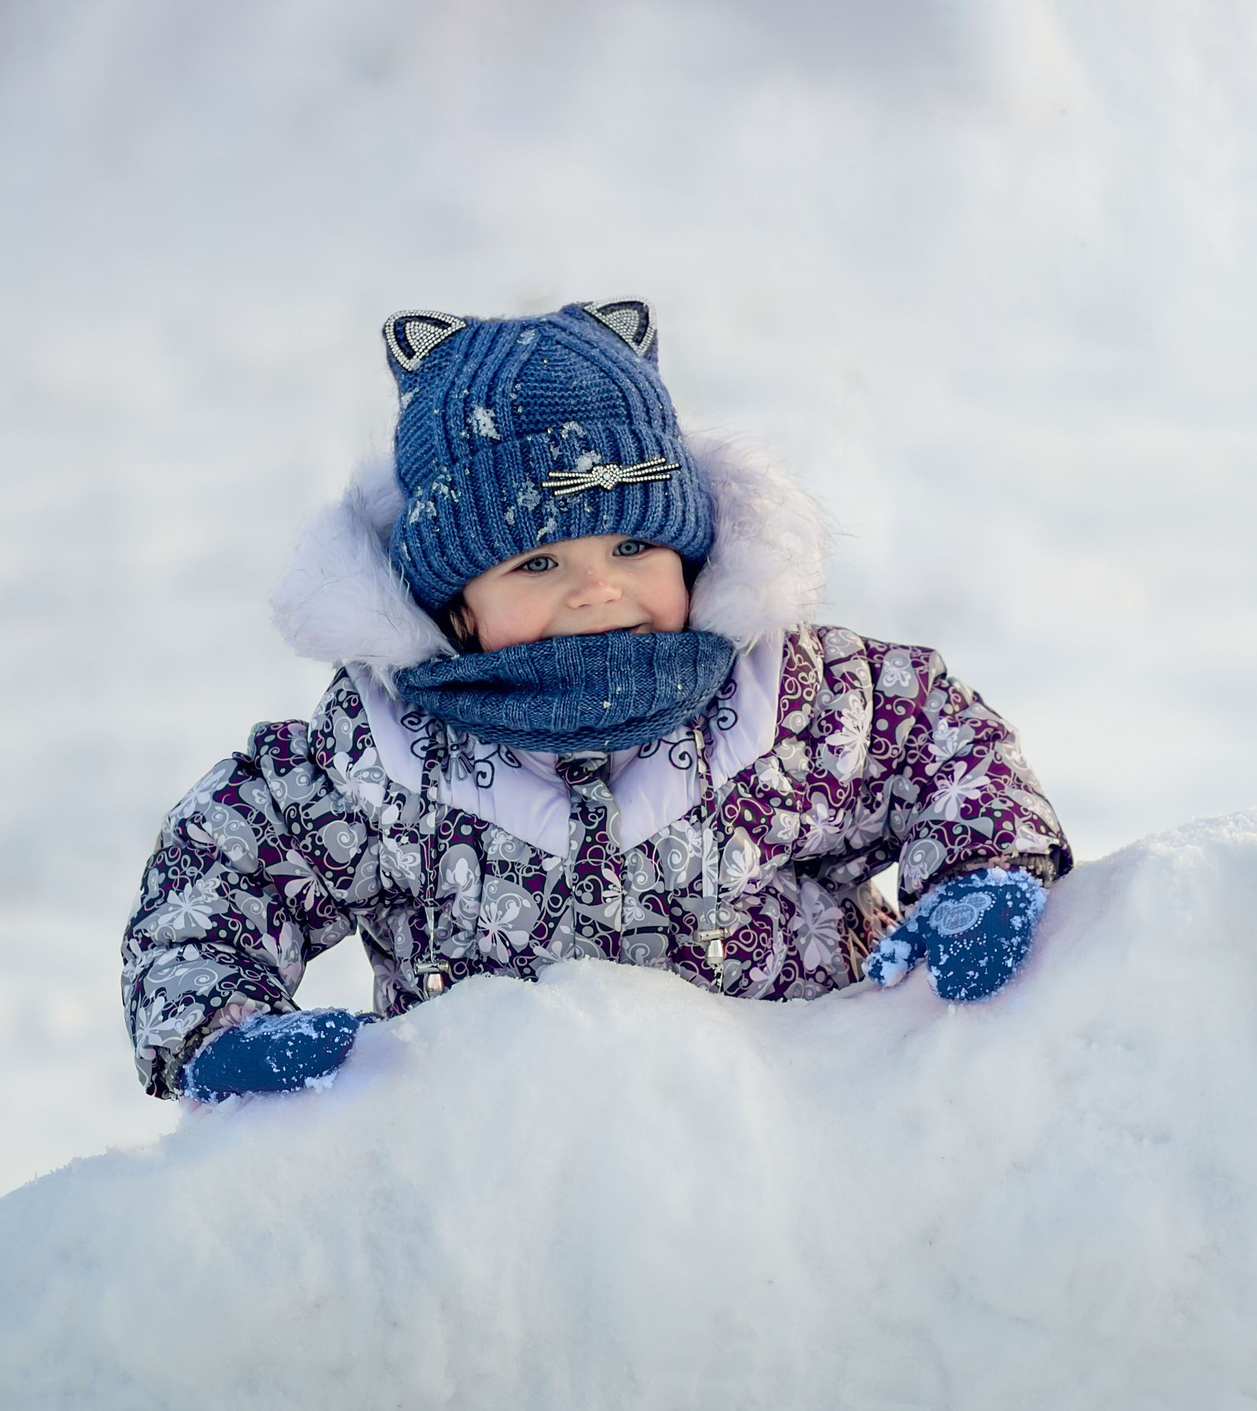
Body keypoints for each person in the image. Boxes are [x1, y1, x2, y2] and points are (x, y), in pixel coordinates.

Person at [122, 301, 1073, 1102]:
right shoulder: (380, 758)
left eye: (632, 549)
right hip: (516, 1199)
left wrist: (980, 869)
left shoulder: (786, 700)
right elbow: (217, 871)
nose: (596, 589)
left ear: (689, 556)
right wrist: (221, 1021)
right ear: (452, 604)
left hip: (801, 1150)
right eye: (539, 562)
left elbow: (945, 742)